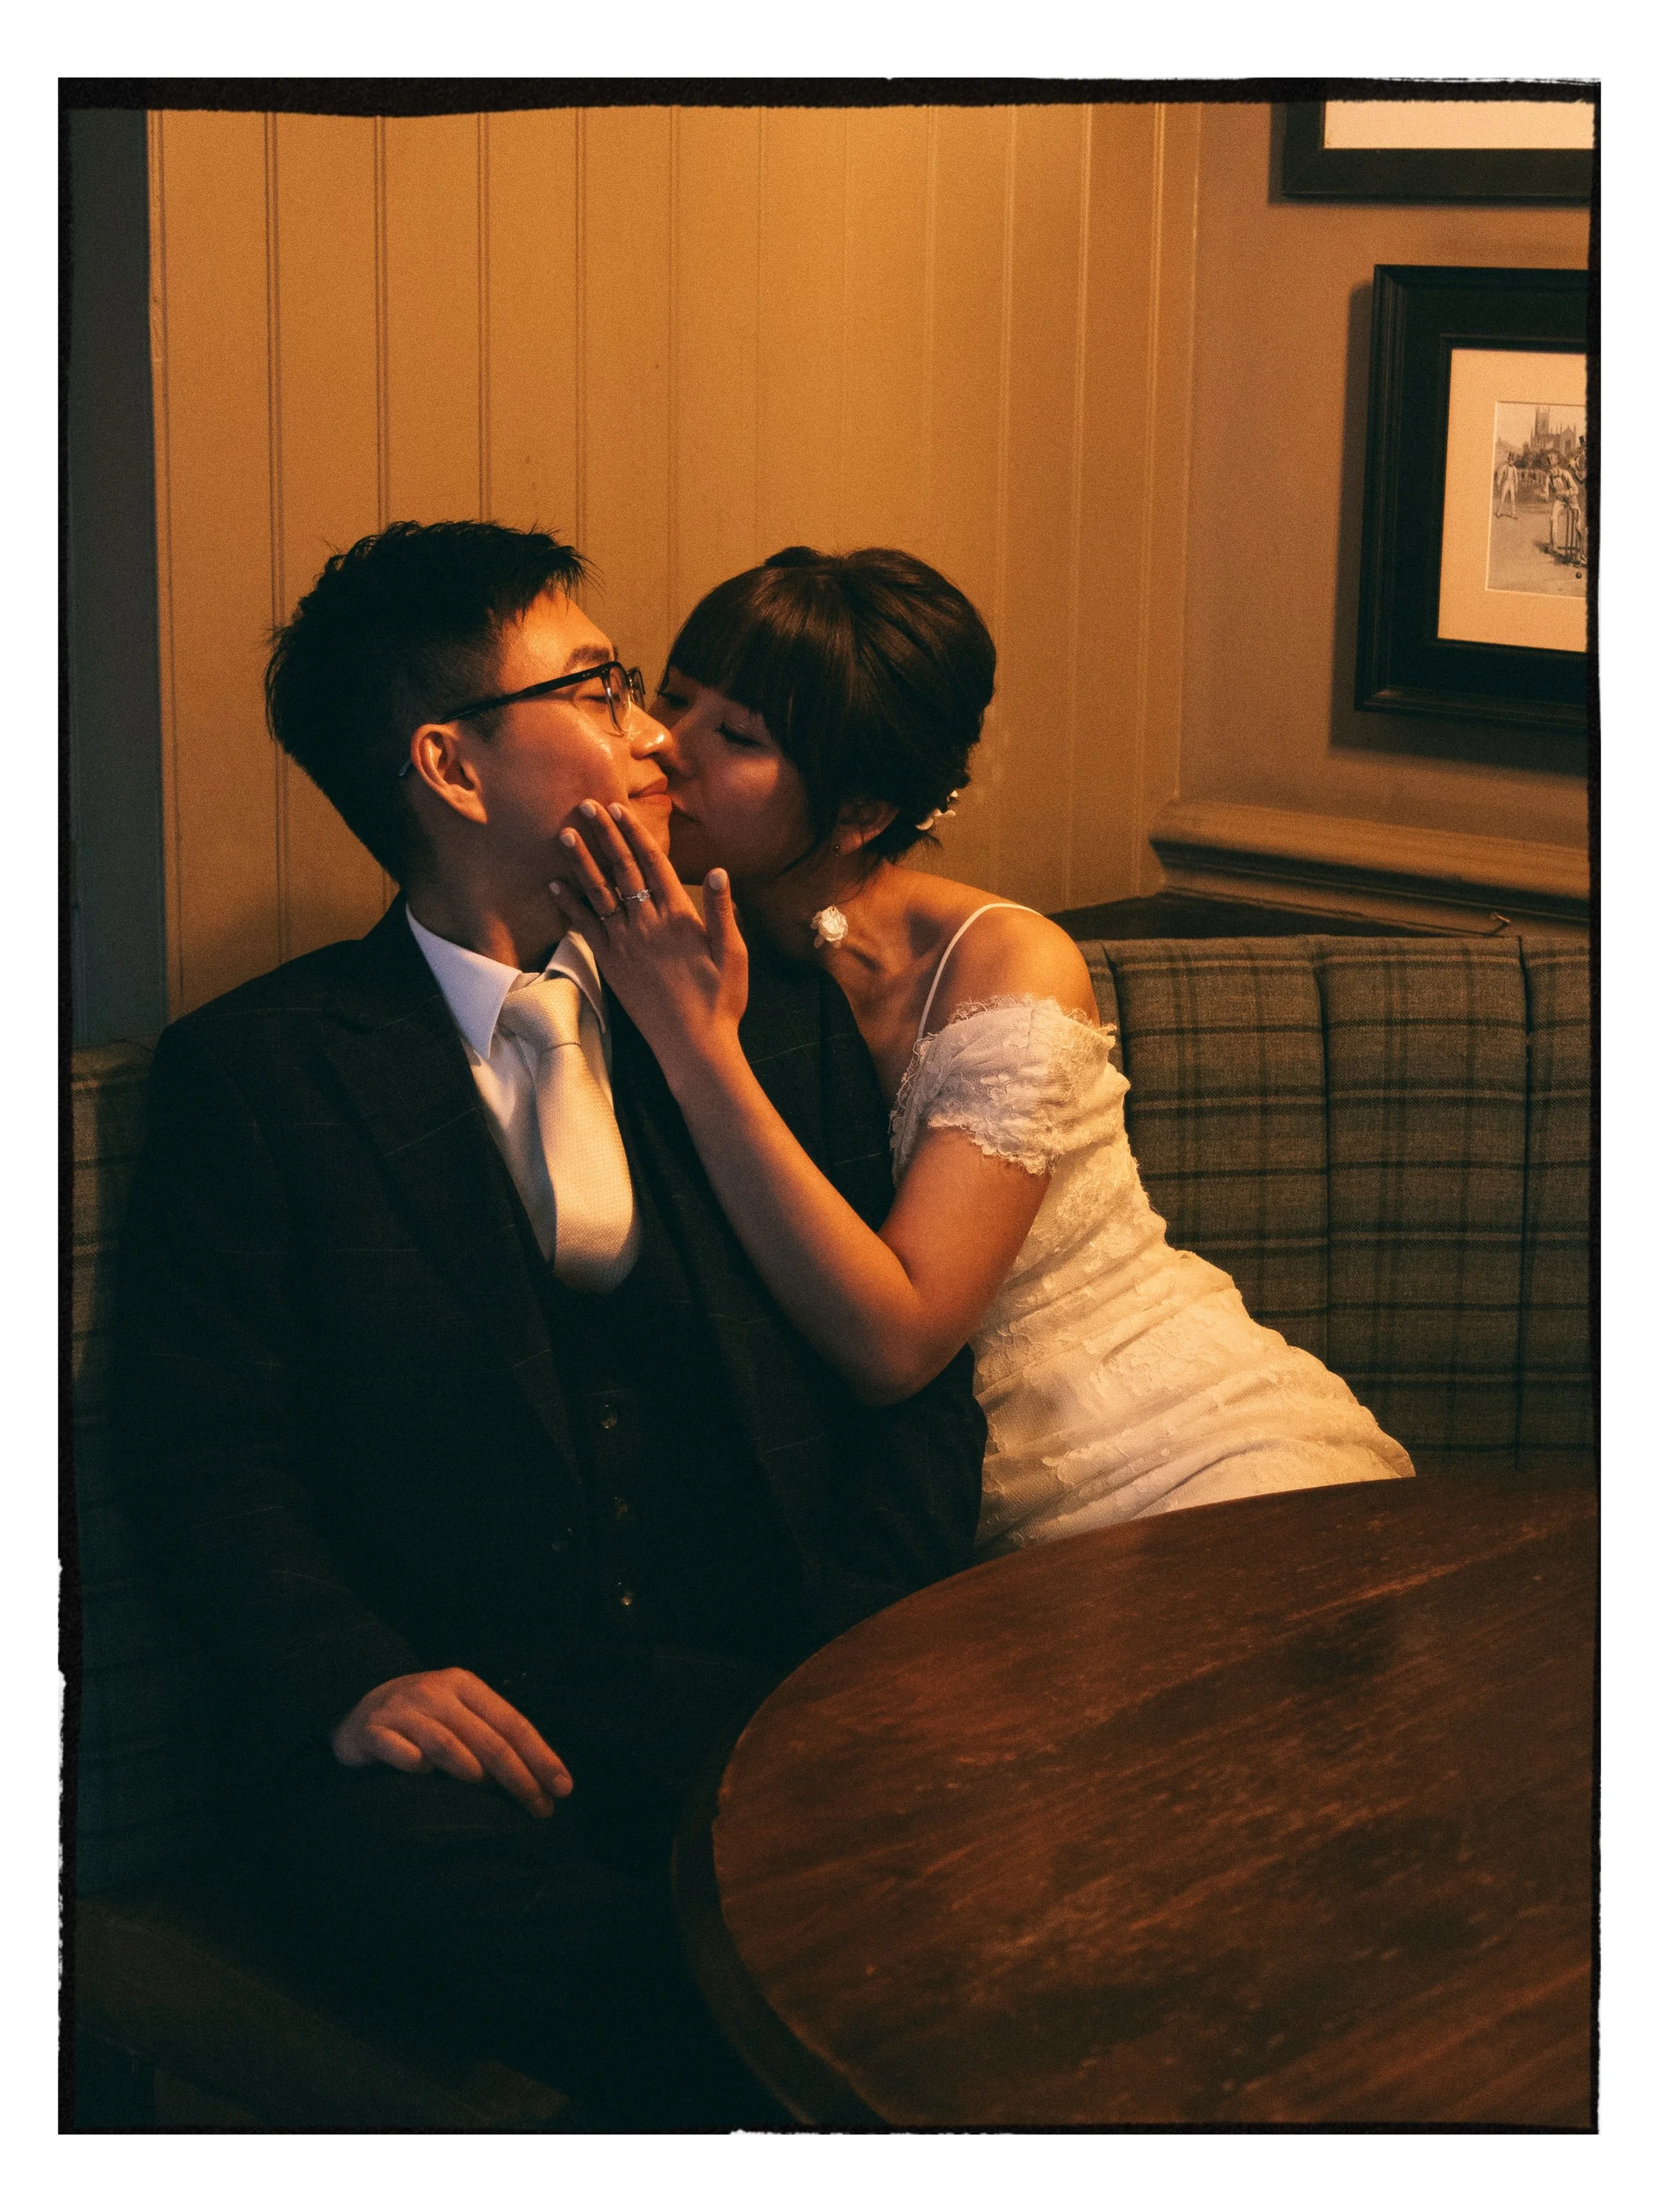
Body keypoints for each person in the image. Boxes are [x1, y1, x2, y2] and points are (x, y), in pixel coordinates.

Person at [111, 522, 986, 2128]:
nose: (656, 732)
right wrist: (352, 1676)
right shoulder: (261, 1072)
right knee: (633, 1977)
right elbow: (204, 1453)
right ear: (449, 765)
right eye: (596, 686)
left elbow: (913, 1393)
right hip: (477, 1734)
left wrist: (877, 1657)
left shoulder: (750, 999)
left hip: (774, 1680)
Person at [553, 546, 1413, 1560]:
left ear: (862, 812)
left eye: (736, 735)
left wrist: (699, 1049)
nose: (664, 745)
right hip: (935, 1521)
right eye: (674, 698)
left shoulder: (1003, 964)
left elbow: (900, 1342)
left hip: (1185, 1447)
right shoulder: (660, 934)